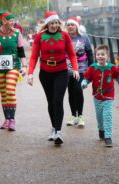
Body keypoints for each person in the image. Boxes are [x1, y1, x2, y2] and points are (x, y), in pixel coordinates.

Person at [27, 11, 80, 145]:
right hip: (45, 73)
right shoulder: (40, 37)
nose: (55, 25)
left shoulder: (65, 36)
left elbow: (72, 55)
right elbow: (33, 57)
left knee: (58, 100)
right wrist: (30, 73)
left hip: (61, 72)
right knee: (50, 102)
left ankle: (58, 131)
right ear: (48, 23)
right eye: (52, 23)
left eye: (57, 23)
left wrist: (75, 69)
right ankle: (53, 128)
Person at [81, 44, 119, 147]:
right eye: (98, 54)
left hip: (108, 96)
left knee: (107, 116)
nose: (100, 56)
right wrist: (84, 84)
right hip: (97, 96)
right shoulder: (93, 67)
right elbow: (87, 78)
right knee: (99, 116)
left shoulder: (112, 68)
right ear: (95, 56)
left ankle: (108, 137)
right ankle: (101, 130)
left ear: (107, 56)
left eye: (103, 54)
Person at [65, 16, 94, 128]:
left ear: (76, 26)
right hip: (67, 69)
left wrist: (92, 68)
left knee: (78, 90)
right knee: (71, 92)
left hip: (81, 68)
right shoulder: (64, 37)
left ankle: (80, 116)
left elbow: (89, 53)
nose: (70, 27)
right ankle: (73, 116)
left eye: (72, 25)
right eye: (68, 25)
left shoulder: (84, 37)